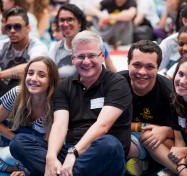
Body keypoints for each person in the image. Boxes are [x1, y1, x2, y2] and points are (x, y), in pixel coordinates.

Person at [9, 30, 132, 176]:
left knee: (110, 144)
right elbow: (60, 124)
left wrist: (74, 153)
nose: (86, 61)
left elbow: (103, 126)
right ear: (72, 58)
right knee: (19, 142)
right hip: (70, 153)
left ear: (102, 56)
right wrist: (51, 156)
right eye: (80, 56)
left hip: (101, 155)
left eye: (92, 55)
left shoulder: (117, 83)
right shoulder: (64, 86)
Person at [0, 56, 59, 174]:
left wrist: (21, 146)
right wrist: (16, 139)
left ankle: (21, 168)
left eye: (41, 75)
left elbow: (50, 146)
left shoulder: (56, 103)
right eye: (30, 73)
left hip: (31, 149)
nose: (33, 79)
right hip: (10, 137)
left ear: (51, 81)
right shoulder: (17, 93)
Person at [120, 40, 175, 175]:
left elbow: (181, 132)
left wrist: (166, 131)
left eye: (149, 67)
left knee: (161, 140)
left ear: (158, 67)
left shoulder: (169, 92)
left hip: (157, 142)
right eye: (137, 65)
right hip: (126, 134)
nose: (142, 72)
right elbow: (109, 125)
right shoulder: (117, 84)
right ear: (128, 63)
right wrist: (145, 127)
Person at [0, 7, 48, 111]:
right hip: (4, 90)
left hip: (30, 94)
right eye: (9, 27)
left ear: (28, 28)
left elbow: (30, 68)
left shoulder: (38, 47)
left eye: (17, 27)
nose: (12, 31)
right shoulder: (2, 46)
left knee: (17, 80)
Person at [49, 3, 116, 79]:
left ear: (79, 23)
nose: (65, 24)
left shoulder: (95, 45)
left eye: (70, 19)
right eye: (62, 20)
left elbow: (113, 74)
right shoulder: (55, 48)